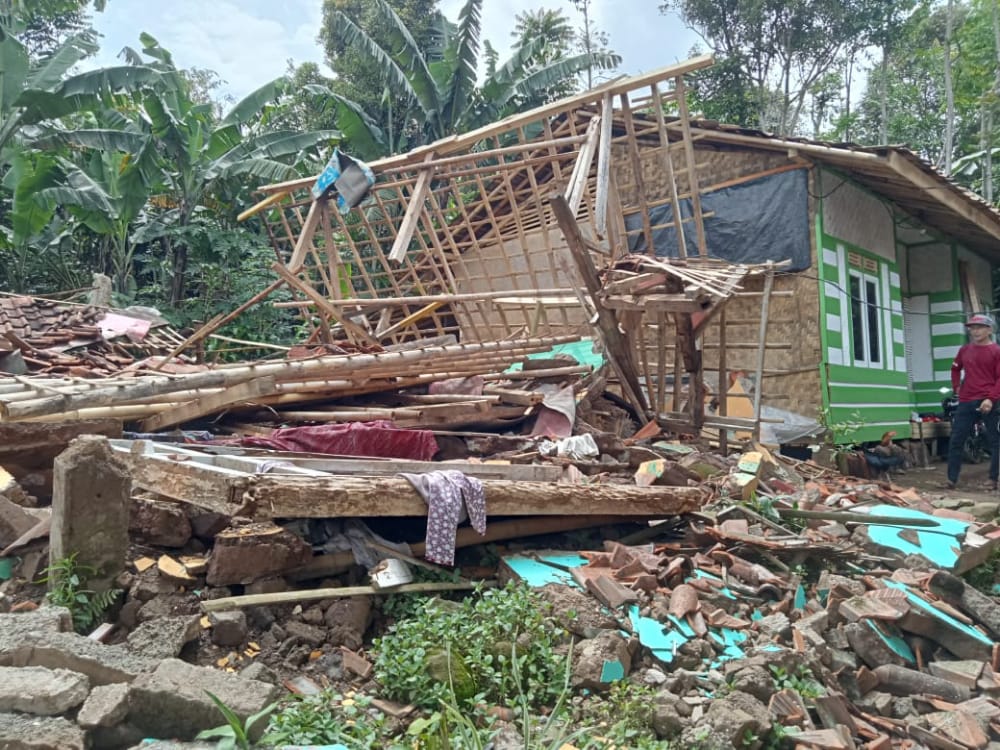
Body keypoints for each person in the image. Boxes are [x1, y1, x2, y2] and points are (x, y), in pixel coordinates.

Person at [946, 313, 1000, 490]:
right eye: (972, 328)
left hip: (987, 400)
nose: (975, 331)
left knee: (994, 440)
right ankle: (951, 480)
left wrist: (991, 399)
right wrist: (956, 387)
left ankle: (993, 479)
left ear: (989, 330)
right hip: (966, 400)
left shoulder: (996, 351)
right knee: (956, 439)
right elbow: (955, 368)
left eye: (979, 328)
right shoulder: (965, 350)